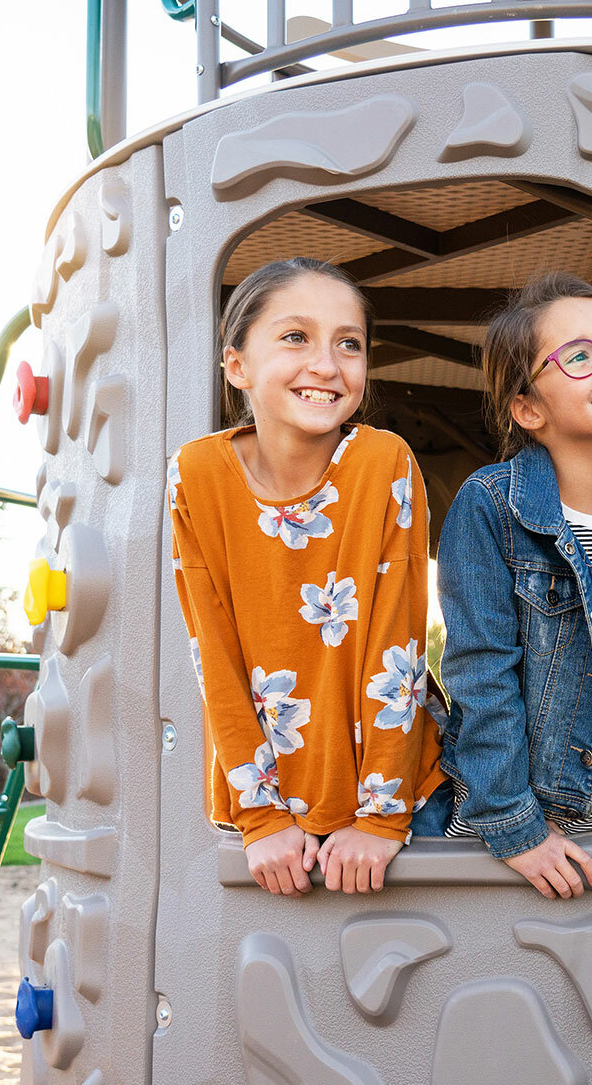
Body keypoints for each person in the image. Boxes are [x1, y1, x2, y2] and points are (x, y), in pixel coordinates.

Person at [167, 257, 450, 897]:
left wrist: (381, 819)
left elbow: (395, 646)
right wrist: (261, 817)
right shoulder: (197, 476)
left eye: (348, 344)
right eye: (296, 337)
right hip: (267, 815)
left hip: (401, 794)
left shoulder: (383, 461)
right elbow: (213, 652)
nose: (327, 363)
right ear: (236, 365)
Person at [436, 272, 592, 899]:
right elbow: (480, 671)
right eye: (577, 356)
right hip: (523, 836)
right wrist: (519, 829)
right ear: (528, 409)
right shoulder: (491, 506)